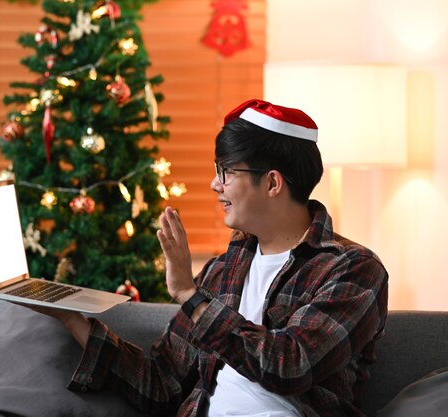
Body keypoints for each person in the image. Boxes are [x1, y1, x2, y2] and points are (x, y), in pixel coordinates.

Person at [32, 99, 389, 417]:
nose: (214, 185)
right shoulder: (222, 272)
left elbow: (290, 366)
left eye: (226, 172)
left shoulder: (352, 269)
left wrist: (191, 297)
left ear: (273, 183)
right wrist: (70, 316)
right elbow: (162, 385)